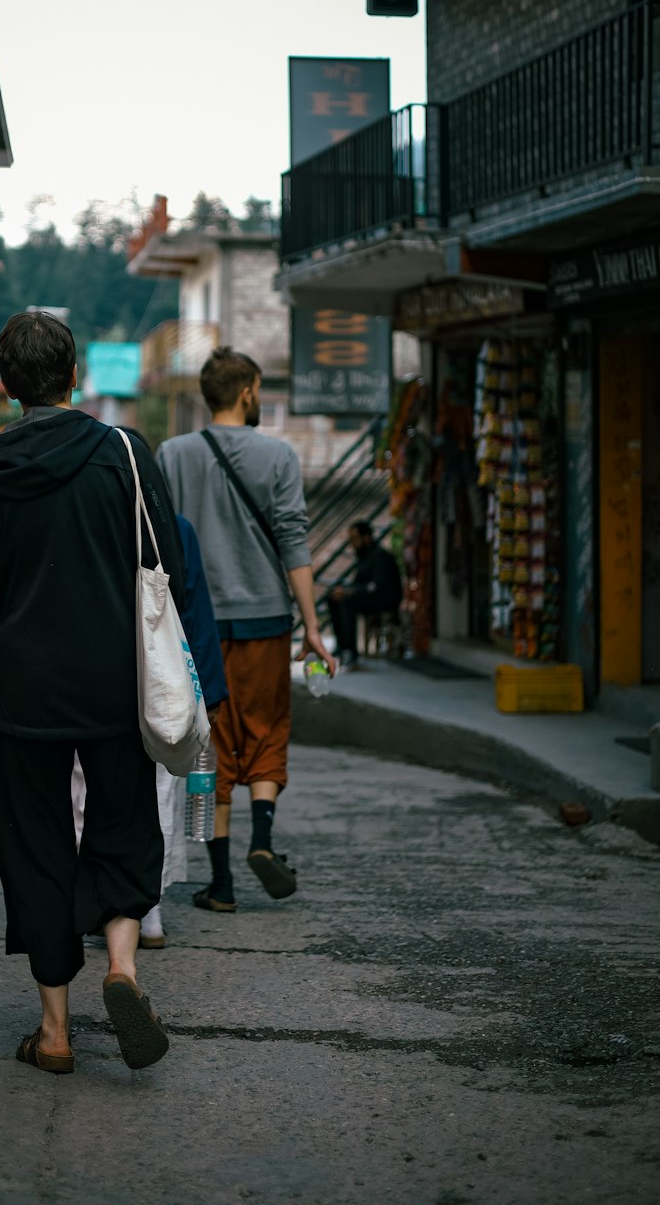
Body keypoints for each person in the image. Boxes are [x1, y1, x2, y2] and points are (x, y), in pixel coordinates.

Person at [0, 310, 185, 1074]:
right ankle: (122, 969)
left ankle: (53, 1032)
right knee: (122, 824)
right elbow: (164, 555)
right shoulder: (125, 452)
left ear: (6, 383)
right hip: (116, 682)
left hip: (28, 691)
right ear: (74, 374)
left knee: (35, 847)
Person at [157, 346, 335, 914]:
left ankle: (221, 883)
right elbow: (294, 541)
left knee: (213, 743)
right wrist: (311, 625)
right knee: (266, 728)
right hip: (265, 618)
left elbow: (162, 540)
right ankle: (262, 840)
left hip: (198, 625)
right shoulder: (278, 455)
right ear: (249, 391)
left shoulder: (172, 454)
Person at [71, 504, 228, 948]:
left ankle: (98, 900)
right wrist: (209, 692)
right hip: (162, 680)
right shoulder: (173, 525)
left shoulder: (85, 516)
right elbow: (194, 607)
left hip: (91, 675)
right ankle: (148, 910)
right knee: (157, 786)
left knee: (84, 789)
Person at [326, 521, 402, 669]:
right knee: (334, 598)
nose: (352, 544)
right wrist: (343, 590)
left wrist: (349, 591)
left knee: (347, 601)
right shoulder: (364, 557)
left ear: (366, 537)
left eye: (355, 539)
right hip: (370, 598)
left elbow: (376, 586)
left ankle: (350, 652)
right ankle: (342, 646)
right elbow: (358, 583)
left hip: (385, 599)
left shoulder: (380, 556)